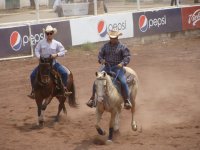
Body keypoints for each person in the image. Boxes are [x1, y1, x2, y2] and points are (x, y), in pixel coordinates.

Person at [86, 30, 132, 109]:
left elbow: (127, 57)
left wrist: (122, 63)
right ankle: (92, 98)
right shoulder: (105, 46)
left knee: (123, 82)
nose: (112, 39)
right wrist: (101, 60)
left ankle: (126, 100)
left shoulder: (123, 47)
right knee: (96, 81)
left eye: (114, 38)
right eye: (111, 38)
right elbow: (100, 55)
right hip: (107, 67)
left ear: (117, 38)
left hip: (118, 68)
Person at [28, 25, 69, 99]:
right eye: (47, 33)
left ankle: (64, 89)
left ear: (53, 33)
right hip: (43, 64)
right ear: (45, 34)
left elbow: (63, 51)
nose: (49, 35)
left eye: (50, 33)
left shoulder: (56, 43)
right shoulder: (41, 43)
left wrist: (56, 54)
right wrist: (39, 56)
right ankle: (33, 91)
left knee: (64, 73)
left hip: (53, 63)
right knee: (32, 75)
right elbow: (36, 50)